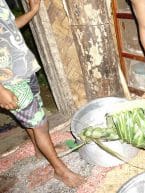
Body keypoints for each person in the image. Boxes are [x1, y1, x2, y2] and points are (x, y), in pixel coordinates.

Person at [0, 0, 84, 188]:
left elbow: (8, 28)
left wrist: (33, 11)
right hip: (9, 81)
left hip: (24, 68)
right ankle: (60, 170)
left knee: (34, 118)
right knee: (40, 124)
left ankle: (40, 150)